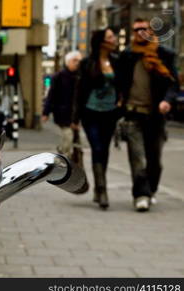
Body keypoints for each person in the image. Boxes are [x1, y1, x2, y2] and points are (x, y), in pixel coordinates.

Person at [118, 18, 178, 212]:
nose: (139, 33)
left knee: (155, 161)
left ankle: (150, 190)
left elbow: (173, 83)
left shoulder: (164, 55)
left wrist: (167, 101)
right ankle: (141, 195)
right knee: (137, 158)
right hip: (133, 114)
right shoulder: (127, 55)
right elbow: (118, 82)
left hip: (155, 116)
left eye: (143, 29)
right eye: (135, 30)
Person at [72, 28, 120, 210]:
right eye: (110, 37)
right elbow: (79, 91)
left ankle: (99, 189)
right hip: (90, 113)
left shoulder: (117, 61)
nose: (114, 39)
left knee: (104, 151)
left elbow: (123, 84)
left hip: (110, 112)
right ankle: (103, 189)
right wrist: (74, 119)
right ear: (101, 42)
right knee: (97, 147)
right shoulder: (87, 63)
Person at [42, 51, 82, 157]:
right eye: (75, 60)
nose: (77, 63)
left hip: (76, 115)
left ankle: (65, 153)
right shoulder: (59, 77)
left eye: (79, 60)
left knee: (76, 141)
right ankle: (64, 157)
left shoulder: (81, 76)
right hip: (62, 113)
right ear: (68, 62)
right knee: (68, 135)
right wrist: (46, 112)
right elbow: (51, 95)